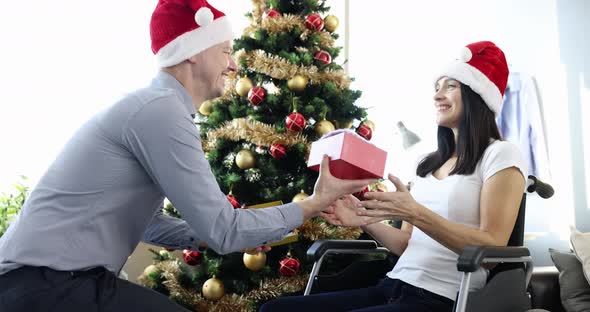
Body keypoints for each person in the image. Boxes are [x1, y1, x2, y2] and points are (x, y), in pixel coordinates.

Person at [0, 1, 375, 311]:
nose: (233, 65)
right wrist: (315, 203)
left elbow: (149, 225)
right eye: (225, 51)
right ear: (193, 53)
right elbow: (225, 230)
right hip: (46, 285)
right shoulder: (159, 111)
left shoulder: (156, 107)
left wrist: (219, 236)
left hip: (45, 282)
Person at [260, 41, 527, 312]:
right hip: (392, 286)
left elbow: (491, 252)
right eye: (437, 87)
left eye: (450, 86)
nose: (437, 95)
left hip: (445, 298)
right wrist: (363, 220)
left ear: (477, 95)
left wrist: (416, 213)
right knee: (274, 310)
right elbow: (406, 244)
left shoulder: (501, 155)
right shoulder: (428, 163)